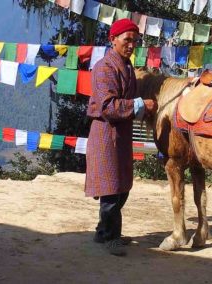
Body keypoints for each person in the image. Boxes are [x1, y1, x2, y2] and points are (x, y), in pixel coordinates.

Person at [85, 18, 158, 256]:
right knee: (111, 189)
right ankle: (111, 237)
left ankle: (101, 231)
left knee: (122, 186)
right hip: (106, 134)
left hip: (122, 134)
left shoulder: (126, 67)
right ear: (113, 39)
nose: (131, 45)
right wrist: (140, 103)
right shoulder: (104, 68)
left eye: (135, 41)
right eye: (127, 40)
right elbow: (107, 106)